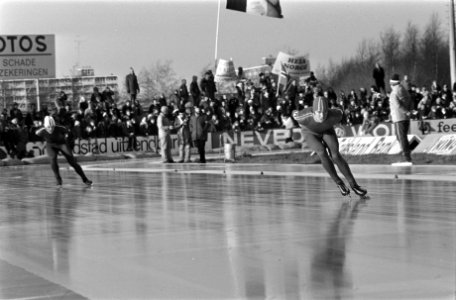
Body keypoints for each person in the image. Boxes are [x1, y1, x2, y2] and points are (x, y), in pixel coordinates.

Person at [292, 88, 367, 197]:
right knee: (322, 152)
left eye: (324, 112)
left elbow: (342, 109)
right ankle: (339, 183)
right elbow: (294, 113)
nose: (322, 116)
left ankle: (354, 185)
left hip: (327, 130)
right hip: (310, 133)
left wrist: (349, 107)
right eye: (318, 113)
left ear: (328, 111)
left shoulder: (335, 115)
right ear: (313, 111)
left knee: (336, 156)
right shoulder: (303, 116)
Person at [35, 116, 92, 187]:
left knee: (72, 162)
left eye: (52, 127)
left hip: (62, 144)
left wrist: (69, 142)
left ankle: (85, 179)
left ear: (54, 125)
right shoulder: (40, 131)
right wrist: (41, 143)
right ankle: (58, 180)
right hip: (51, 145)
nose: (51, 129)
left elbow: (71, 134)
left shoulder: (60, 128)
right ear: (45, 127)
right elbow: (35, 135)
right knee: (52, 159)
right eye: (48, 127)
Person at [389, 74, 413, 163]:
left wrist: (405, 111)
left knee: (401, 137)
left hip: (399, 118)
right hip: (406, 117)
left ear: (392, 83)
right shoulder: (404, 90)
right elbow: (411, 100)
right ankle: (406, 154)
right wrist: (409, 111)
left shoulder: (393, 93)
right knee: (402, 137)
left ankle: (406, 157)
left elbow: (397, 105)